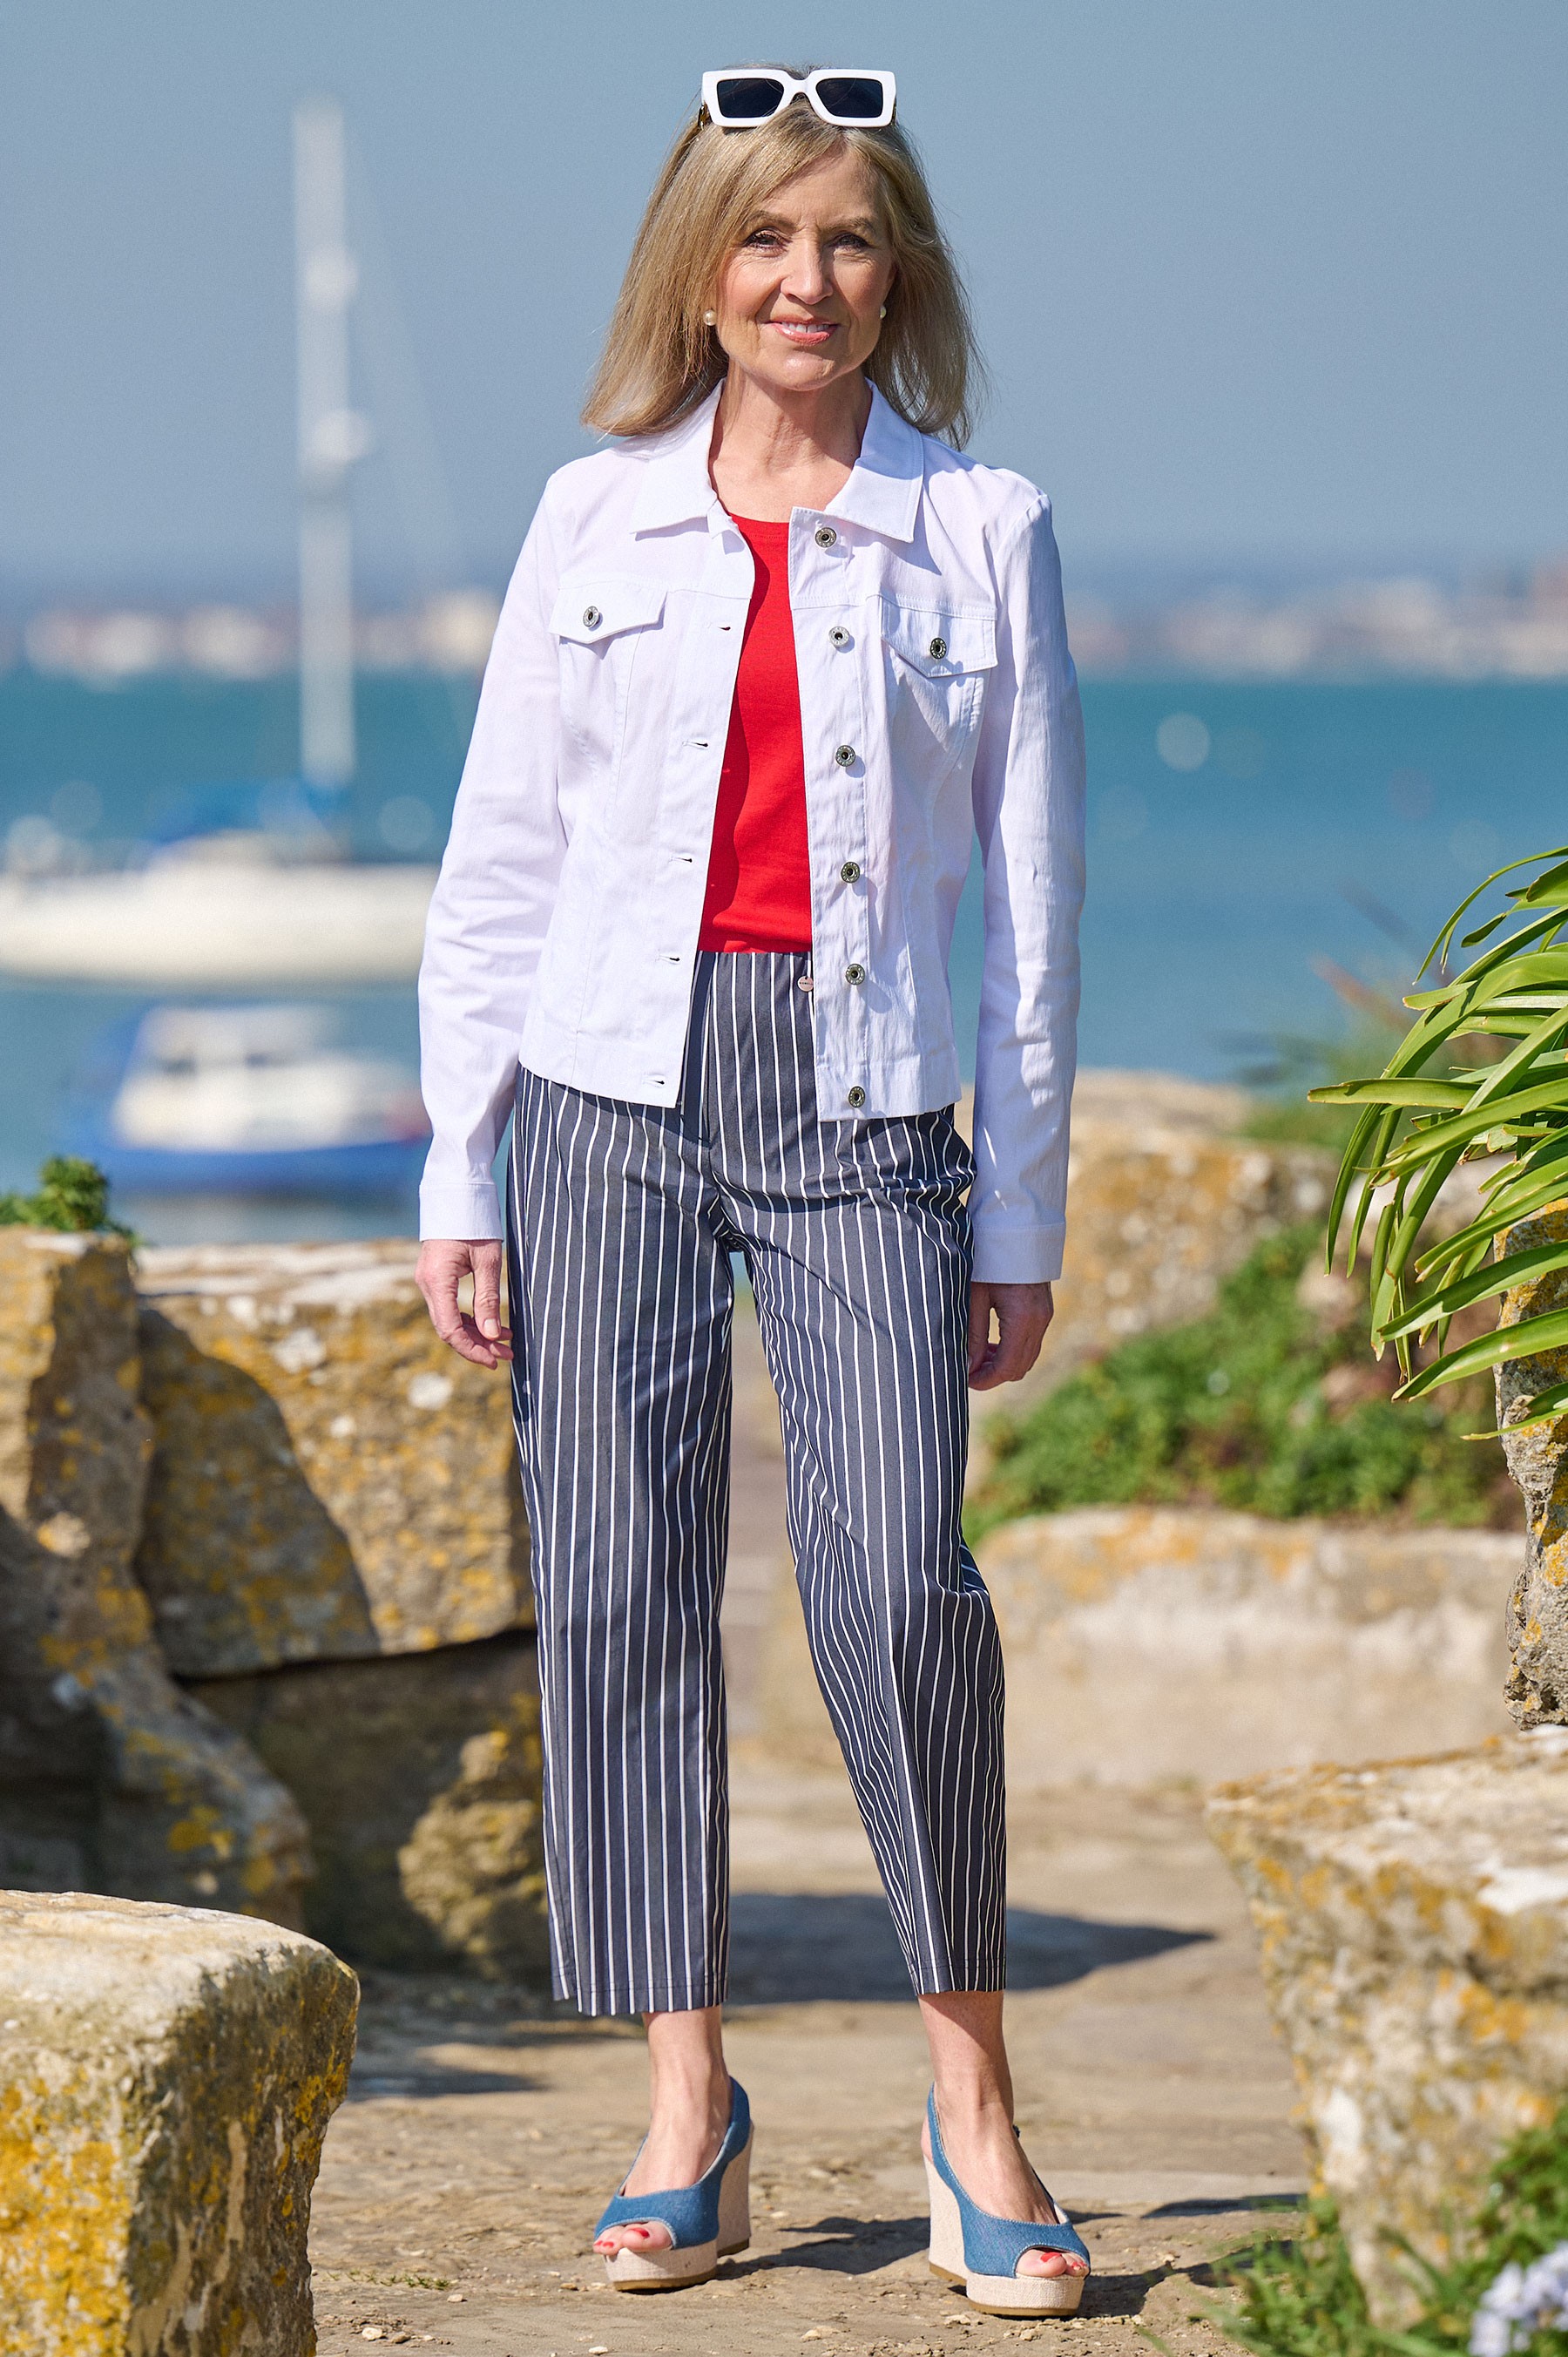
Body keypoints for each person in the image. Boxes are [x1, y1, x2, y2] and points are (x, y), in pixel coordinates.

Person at [416, 64, 1088, 2321]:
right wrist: (462, 1159)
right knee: (618, 1585)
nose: (809, 281)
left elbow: (1031, 909)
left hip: (870, 1106)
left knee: (900, 1582)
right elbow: (501, 857)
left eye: (850, 239)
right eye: (767, 238)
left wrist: (1018, 1216)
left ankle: (973, 2112)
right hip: (604, 1095)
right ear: (699, 272)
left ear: (900, 276)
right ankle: (682, 2106)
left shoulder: (982, 528)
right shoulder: (590, 519)